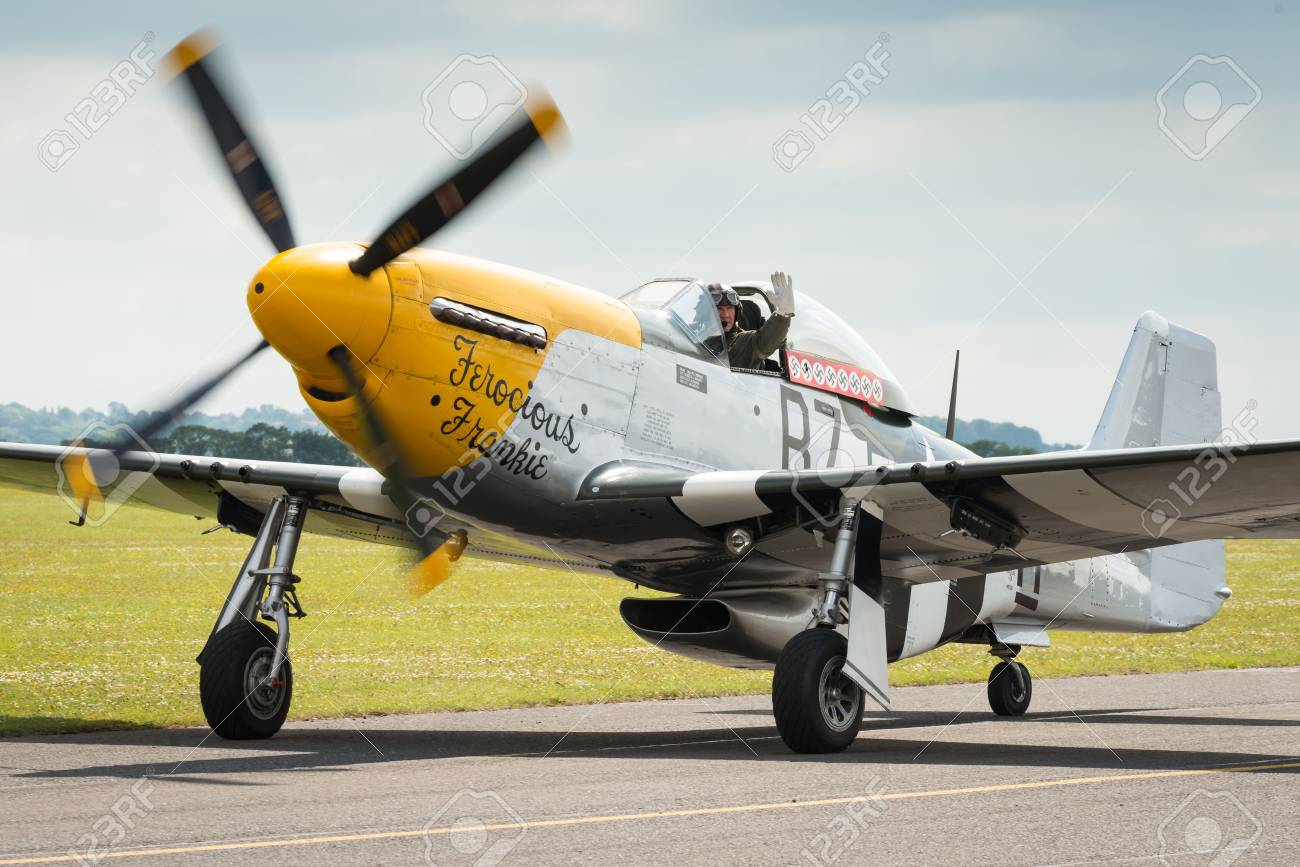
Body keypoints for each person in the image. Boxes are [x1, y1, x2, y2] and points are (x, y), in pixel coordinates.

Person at [710, 271, 796, 370]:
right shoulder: (695, 341)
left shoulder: (744, 343)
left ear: (737, 312)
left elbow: (766, 341)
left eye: (729, 308)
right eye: (719, 308)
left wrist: (783, 315)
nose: (725, 315)